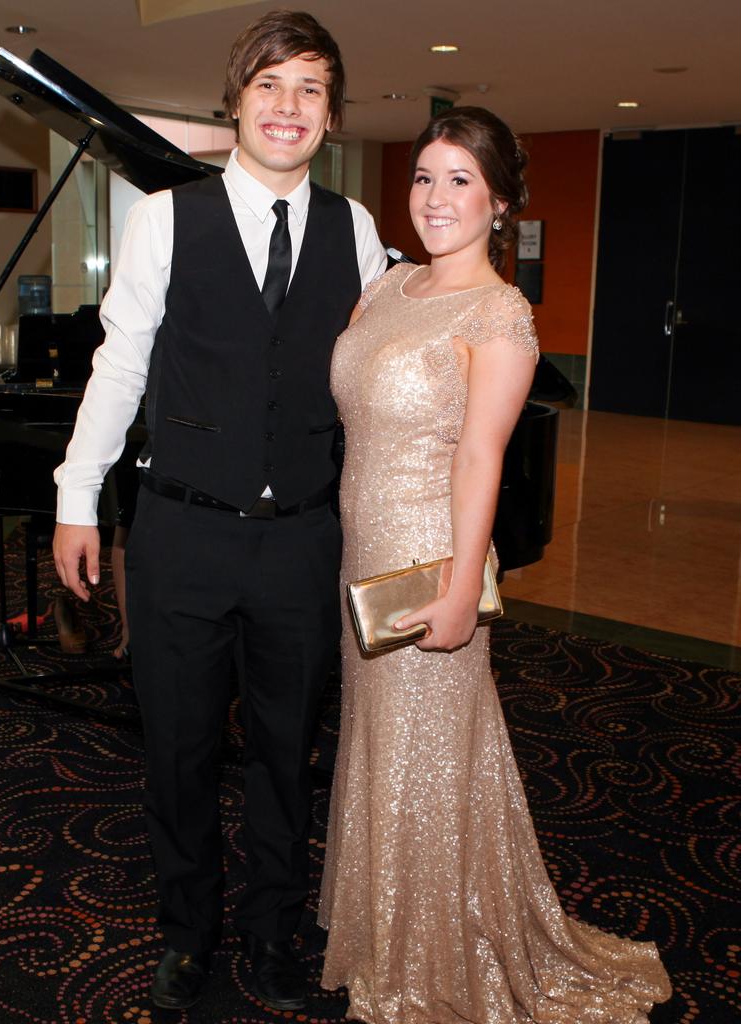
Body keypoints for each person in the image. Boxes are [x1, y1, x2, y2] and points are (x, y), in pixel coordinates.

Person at [52, 9, 386, 1013]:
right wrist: (76, 496)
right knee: (180, 751)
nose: (289, 107)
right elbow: (121, 368)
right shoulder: (165, 216)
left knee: (288, 754)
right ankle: (188, 930)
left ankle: (275, 934)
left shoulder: (356, 229)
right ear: (235, 100)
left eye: (311, 89)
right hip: (183, 534)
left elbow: (379, 367)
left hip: (302, 544)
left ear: (331, 116)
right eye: (271, 85)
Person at [318, 106, 671, 1023]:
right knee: (385, 752)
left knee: (426, 758)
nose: (436, 198)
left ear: (500, 202)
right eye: (425, 177)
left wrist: (459, 594)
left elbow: (481, 459)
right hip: (360, 549)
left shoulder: (501, 315)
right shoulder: (388, 287)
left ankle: (431, 958)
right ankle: (387, 933)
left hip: (427, 560)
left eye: (460, 181)